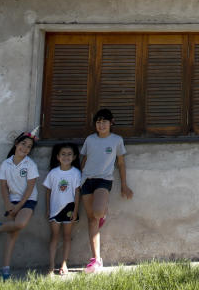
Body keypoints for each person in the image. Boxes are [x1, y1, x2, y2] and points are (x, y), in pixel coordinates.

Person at [80, 108, 133, 273]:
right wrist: (78, 180)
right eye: (98, 122)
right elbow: (84, 159)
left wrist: (124, 185)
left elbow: (121, 164)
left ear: (111, 123)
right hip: (86, 180)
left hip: (104, 180)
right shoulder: (90, 139)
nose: (101, 125)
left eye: (104, 121)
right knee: (91, 220)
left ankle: (103, 213)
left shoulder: (117, 140)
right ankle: (96, 259)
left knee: (97, 212)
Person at [0, 130, 40, 280]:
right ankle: (5, 269)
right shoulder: (6, 164)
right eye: (23, 144)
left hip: (28, 200)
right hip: (12, 201)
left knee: (20, 224)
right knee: (12, 234)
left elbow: (30, 187)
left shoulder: (30, 164)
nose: (25, 148)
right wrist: (8, 204)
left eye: (29, 146)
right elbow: (3, 186)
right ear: (16, 144)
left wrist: (20, 205)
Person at [42, 142, 82, 276]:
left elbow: (77, 192)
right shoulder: (53, 173)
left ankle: (64, 264)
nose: (66, 157)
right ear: (58, 157)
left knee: (67, 236)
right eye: (63, 154)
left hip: (70, 210)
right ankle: (51, 265)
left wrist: (76, 210)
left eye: (69, 154)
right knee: (54, 236)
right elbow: (47, 192)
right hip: (54, 210)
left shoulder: (76, 173)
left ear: (74, 157)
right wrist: (48, 208)